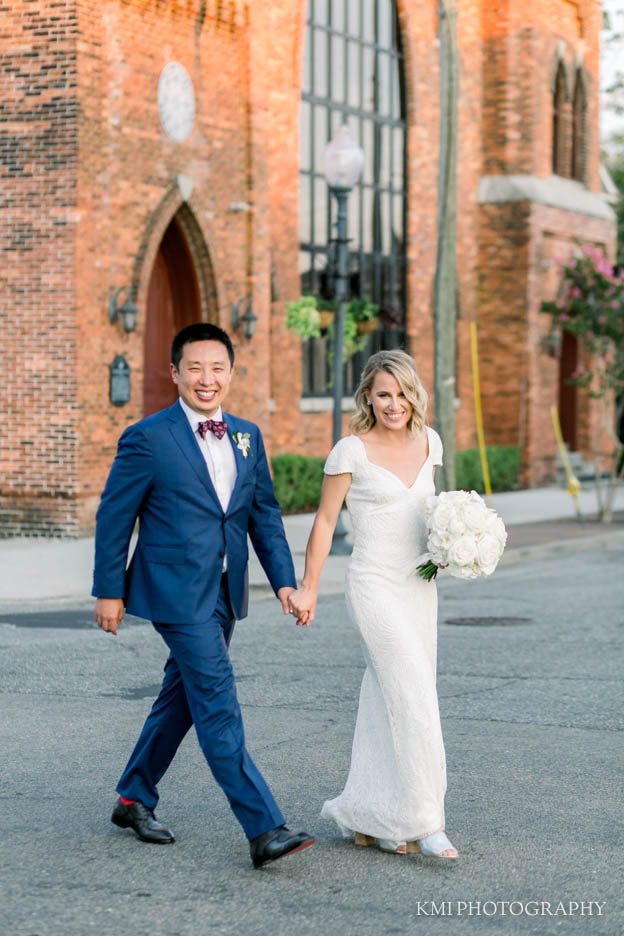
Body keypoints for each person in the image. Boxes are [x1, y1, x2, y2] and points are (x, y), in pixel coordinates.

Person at [92, 322, 314, 869]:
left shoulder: (246, 434)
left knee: (182, 698)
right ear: (175, 373)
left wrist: (284, 580)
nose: (206, 378)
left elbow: (263, 514)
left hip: (224, 589)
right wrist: (108, 591)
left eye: (217, 368)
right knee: (217, 700)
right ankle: (264, 828)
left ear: (231, 374)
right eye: (195, 367)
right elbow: (115, 518)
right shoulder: (148, 437)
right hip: (174, 590)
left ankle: (133, 797)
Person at [288, 350, 459, 860]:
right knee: (413, 695)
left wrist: (450, 546)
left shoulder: (431, 443)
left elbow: (433, 510)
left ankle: (374, 814)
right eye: (384, 394)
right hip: (374, 586)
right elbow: (324, 522)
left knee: (390, 697)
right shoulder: (351, 451)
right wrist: (309, 587)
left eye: (403, 393)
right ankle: (427, 821)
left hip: (419, 586)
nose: (394, 403)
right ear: (368, 396)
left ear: (415, 395)